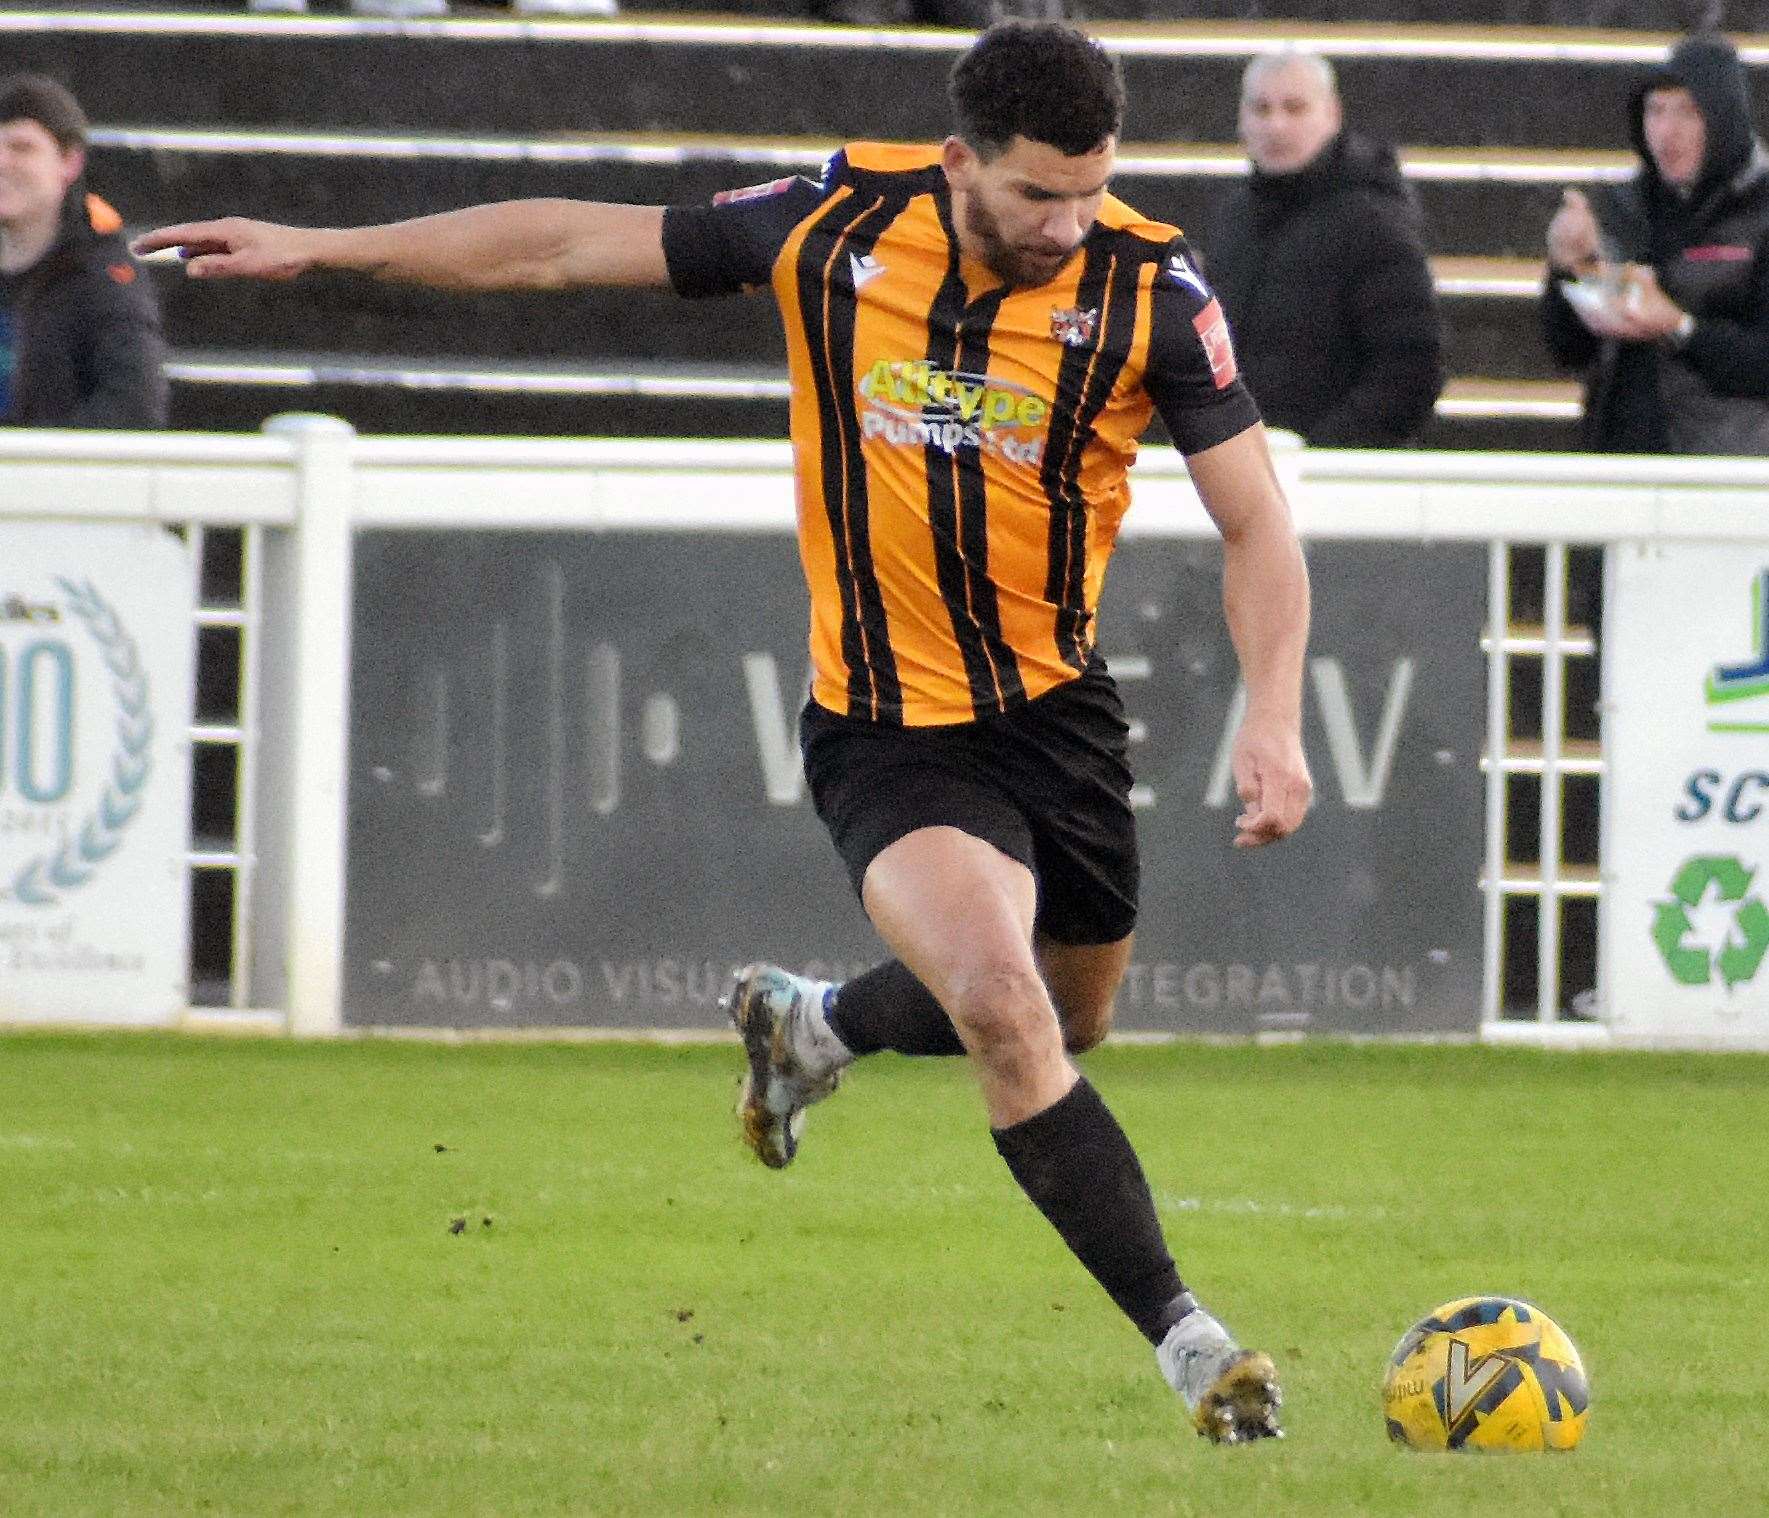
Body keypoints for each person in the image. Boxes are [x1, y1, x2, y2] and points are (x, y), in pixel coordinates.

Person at [135, 21, 1311, 1446]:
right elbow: (564, 244)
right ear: (958, 162)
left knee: (1069, 1016)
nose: (1066, 225)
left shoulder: (1149, 287)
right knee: (1002, 1007)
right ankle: (1196, 1347)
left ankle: (810, 1023)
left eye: (1089, 191)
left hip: (1054, 721)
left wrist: (1275, 712)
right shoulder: (840, 223)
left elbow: (1255, 518)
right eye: (1035, 198)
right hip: (886, 731)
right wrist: (328, 246)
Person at [1202, 48, 1444, 447]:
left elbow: (1411, 369)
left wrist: (1320, 455)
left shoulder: (1374, 223)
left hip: (1340, 483)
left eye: (1295, 108)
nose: (1275, 126)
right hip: (1244, 473)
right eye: (1261, 109)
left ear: (1332, 114)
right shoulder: (1232, 220)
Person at [1541, 32, 1769, 454]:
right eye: (1655, 110)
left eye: (1689, 112)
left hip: (1728, 472)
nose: (1667, 131)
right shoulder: (1622, 207)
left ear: (1725, 119)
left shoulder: (1760, 210)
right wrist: (1567, 268)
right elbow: (1568, 349)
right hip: (1622, 461)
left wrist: (1679, 327)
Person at [0, 74, 167, 429]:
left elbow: (135, 405)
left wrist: (40, 459)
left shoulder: (103, 278)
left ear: (69, 162)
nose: (2, 162)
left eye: (21, 147)